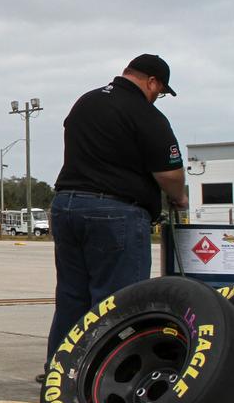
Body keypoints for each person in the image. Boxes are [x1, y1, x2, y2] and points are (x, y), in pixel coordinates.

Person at [41, 54, 187, 378]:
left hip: (67, 205)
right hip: (115, 212)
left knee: (71, 296)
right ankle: (109, 374)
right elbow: (170, 171)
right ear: (152, 82)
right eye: (159, 91)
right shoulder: (144, 113)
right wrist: (179, 198)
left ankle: (61, 371)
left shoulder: (86, 102)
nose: (157, 96)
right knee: (120, 302)